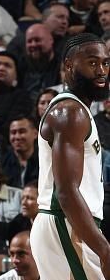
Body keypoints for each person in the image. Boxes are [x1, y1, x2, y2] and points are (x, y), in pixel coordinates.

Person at [30, 33, 110, 279]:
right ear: (68, 65)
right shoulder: (70, 112)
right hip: (65, 224)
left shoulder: (79, 110)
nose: (101, 70)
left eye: (105, 62)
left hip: (70, 224)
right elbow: (66, 191)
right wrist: (104, 249)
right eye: (92, 62)